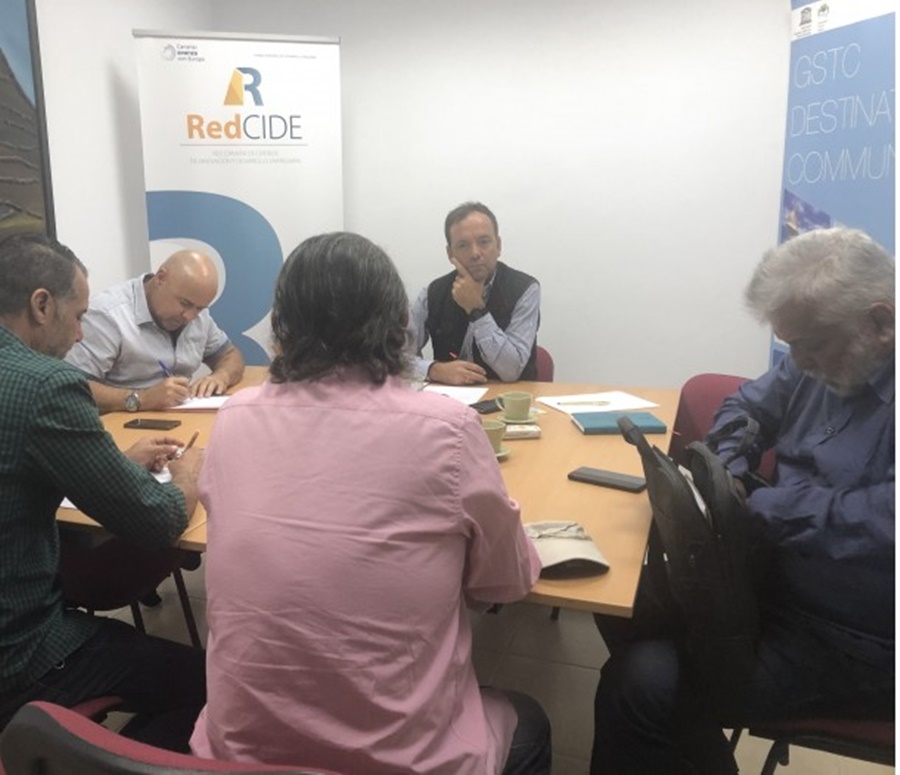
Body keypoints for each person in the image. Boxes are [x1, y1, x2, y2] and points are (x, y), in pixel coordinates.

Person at [190, 232, 552, 774]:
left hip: (238, 757)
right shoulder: (449, 429)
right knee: (532, 719)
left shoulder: (234, 417)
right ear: (398, 323)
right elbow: (504, 584)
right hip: (405, 762)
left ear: (281, 324)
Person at [591, 227, 895, 774]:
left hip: (857, 638)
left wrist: (767, 507)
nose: (796, 361)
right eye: (787, 344)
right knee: (621, 598)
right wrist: (726, 470)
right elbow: (745, 408)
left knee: (638, 686)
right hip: (772, 580)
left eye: (810, 345)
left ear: (879, 322)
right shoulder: (817, 356)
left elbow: (886, 521)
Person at [0, 233, 206, 751]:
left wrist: (108, 464)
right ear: (41, 305)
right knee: (210, 685)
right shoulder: (45, 384)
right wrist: (190, 474)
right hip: (21, 653)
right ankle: (102, 760)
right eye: (78, 317)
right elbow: (159, 520)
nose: (79, 336)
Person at [65, 249, 245, 413]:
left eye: (199, 308)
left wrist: (221, 376)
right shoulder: (108, 314)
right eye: (184, 303)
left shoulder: (197, 314)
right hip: (122, 424)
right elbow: (73, 387)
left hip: (178, 419)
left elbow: (230, 355)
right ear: (161, 278)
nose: (190, 316)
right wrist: (142, 399)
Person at [409, 202, 541, 385]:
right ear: (450, 253)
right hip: (448, 398)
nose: (475, 253)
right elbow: (392, 358)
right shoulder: (432, 293)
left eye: (484, 242)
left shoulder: (525, 289)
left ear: (498, 246)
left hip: (510, 399)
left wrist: (476, 309)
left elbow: (511, 371)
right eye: (463, 245)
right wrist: (434, 370)